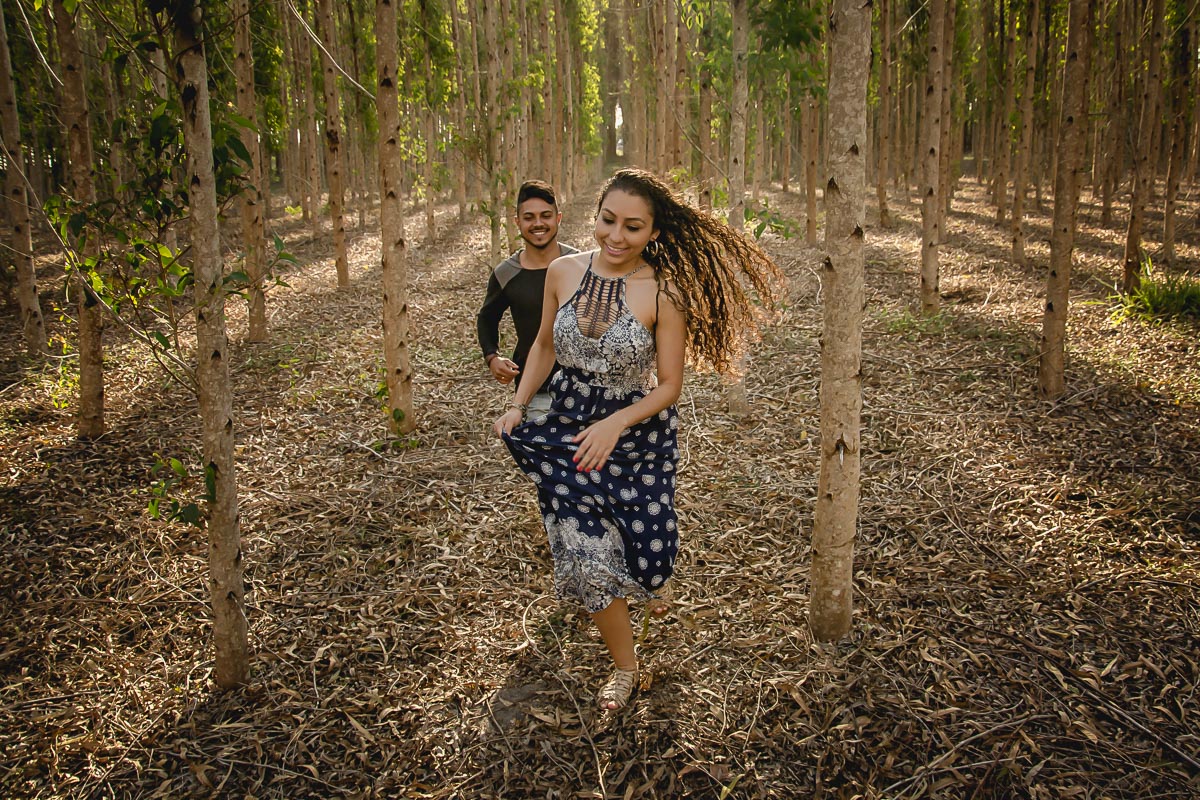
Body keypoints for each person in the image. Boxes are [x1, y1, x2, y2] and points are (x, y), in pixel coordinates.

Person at [493, 167, 780, 711]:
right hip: (567, 429)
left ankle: (646, 582)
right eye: (607, 221)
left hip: (637, 433)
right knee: (587, 549)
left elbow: (669, 386)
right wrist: (517, 404)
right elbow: (545, 348)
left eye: (632, 226)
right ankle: (625, 668)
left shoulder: (663, 290)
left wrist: (616, 422)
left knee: (648, 545)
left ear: (653, 232)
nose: (616, 236)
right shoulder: (561, 271)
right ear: (593, 215)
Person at [477, 180, 580, 413]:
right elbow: (487, 318)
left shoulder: (580, 265)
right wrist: (492, 357)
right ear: (517, 222)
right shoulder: (506, 273)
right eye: (529, 217)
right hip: (535, 393)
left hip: (584, 389)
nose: (538, 224)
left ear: (558, 218)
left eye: (545, 215)